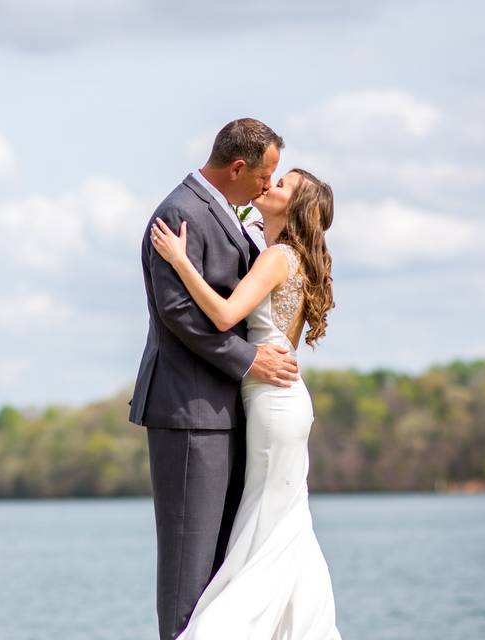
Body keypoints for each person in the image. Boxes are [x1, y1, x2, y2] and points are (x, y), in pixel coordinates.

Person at [150, 166, 341, 639]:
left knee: (266, 527)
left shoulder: (278, 256)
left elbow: (223, 315)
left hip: (273, 403)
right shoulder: (284, 251)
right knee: (285, 524)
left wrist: (180, 260)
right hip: (286, 400)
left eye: (280, 186)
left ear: (292, 207)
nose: (267, 186)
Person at [129, 118, 300, 640]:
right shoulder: (180, 213)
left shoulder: (233, 214)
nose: (268, 187)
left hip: (231, 412)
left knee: (224, 565)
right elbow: (179, 313)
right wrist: (250, 361)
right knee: (189, 563)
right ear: (239, 167)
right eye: (265, 176)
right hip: (190, 414)